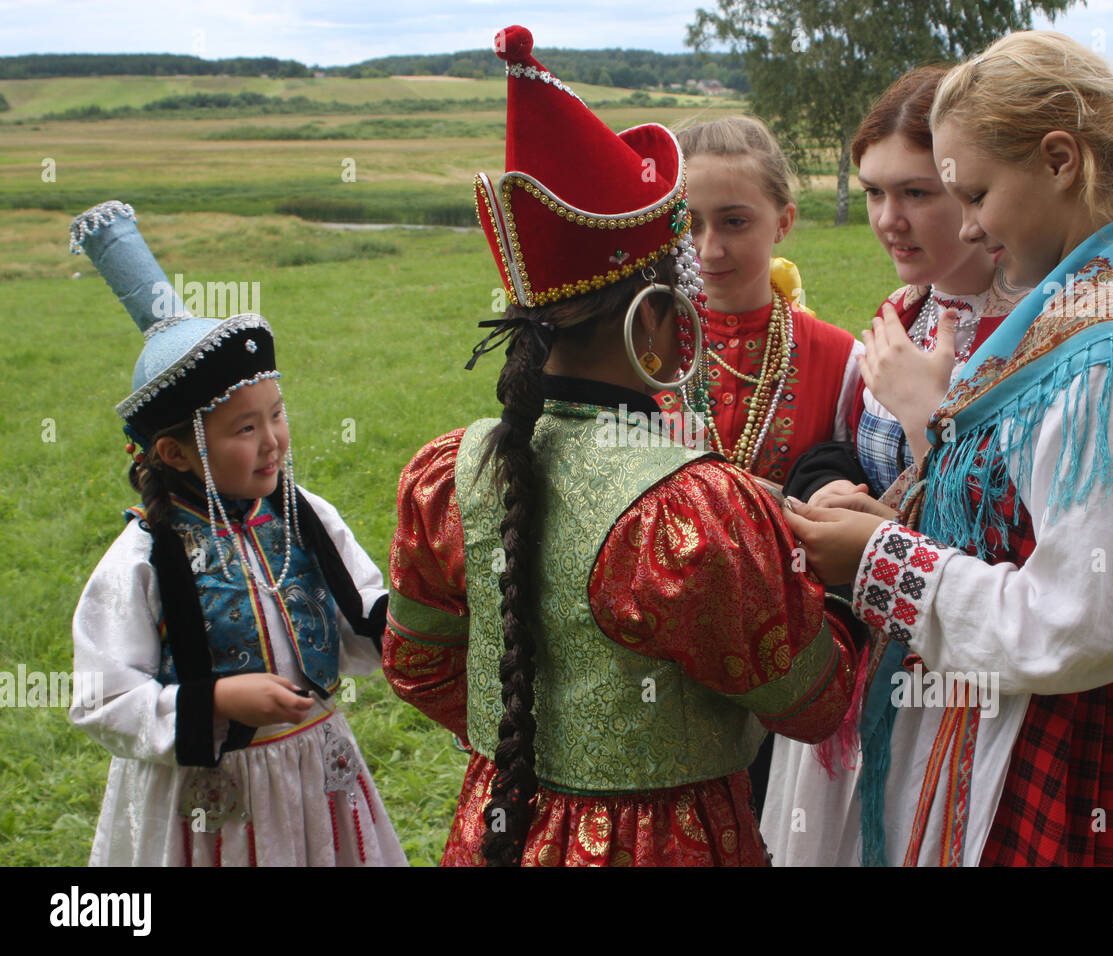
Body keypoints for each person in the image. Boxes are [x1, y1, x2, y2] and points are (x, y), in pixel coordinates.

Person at [381, 26, 856, 867]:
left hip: (496, 823)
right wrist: (848, 581)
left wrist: (538, 749)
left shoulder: (446, 474)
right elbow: (811, 701)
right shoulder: (691, 508)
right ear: (658, 324)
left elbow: (419, 666)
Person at [783, 31, 1113, 866]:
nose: (973, 223)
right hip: (1021, 714)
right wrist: (890, 510)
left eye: (978, 191)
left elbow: (1086, 624)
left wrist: (882, 561)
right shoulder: (1074, 315)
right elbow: (1011, 514)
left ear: (1060, 160)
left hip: (1068, 743)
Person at [69, 201, 405, 866]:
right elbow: (103, 699)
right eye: (244, 429)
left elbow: (365, 618)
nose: (273, 441)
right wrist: (216, 699)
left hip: (319, 771)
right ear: (174, 453)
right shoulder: (143, 559)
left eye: (276, 415)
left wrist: (434, 601)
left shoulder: (303, 514)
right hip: (210, 800)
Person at [760, 65, 1023, 866]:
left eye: (916, 194)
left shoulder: (1031, 329)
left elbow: (1018, 538)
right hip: (877, 643)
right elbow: (846, 442)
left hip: (963, 675)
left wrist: (924, 421)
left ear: (978, 190)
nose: (888, 220)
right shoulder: (907, 310)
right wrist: (829, 485)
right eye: (874, 193)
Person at [670, 114, 866, 812]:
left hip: (788, 670)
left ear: (782, 222)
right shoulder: (635, 348)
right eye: (687, 224)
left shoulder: (841, 360)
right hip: (657, 671)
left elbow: (855, 507)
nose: (709, 248)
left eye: (734, 222)